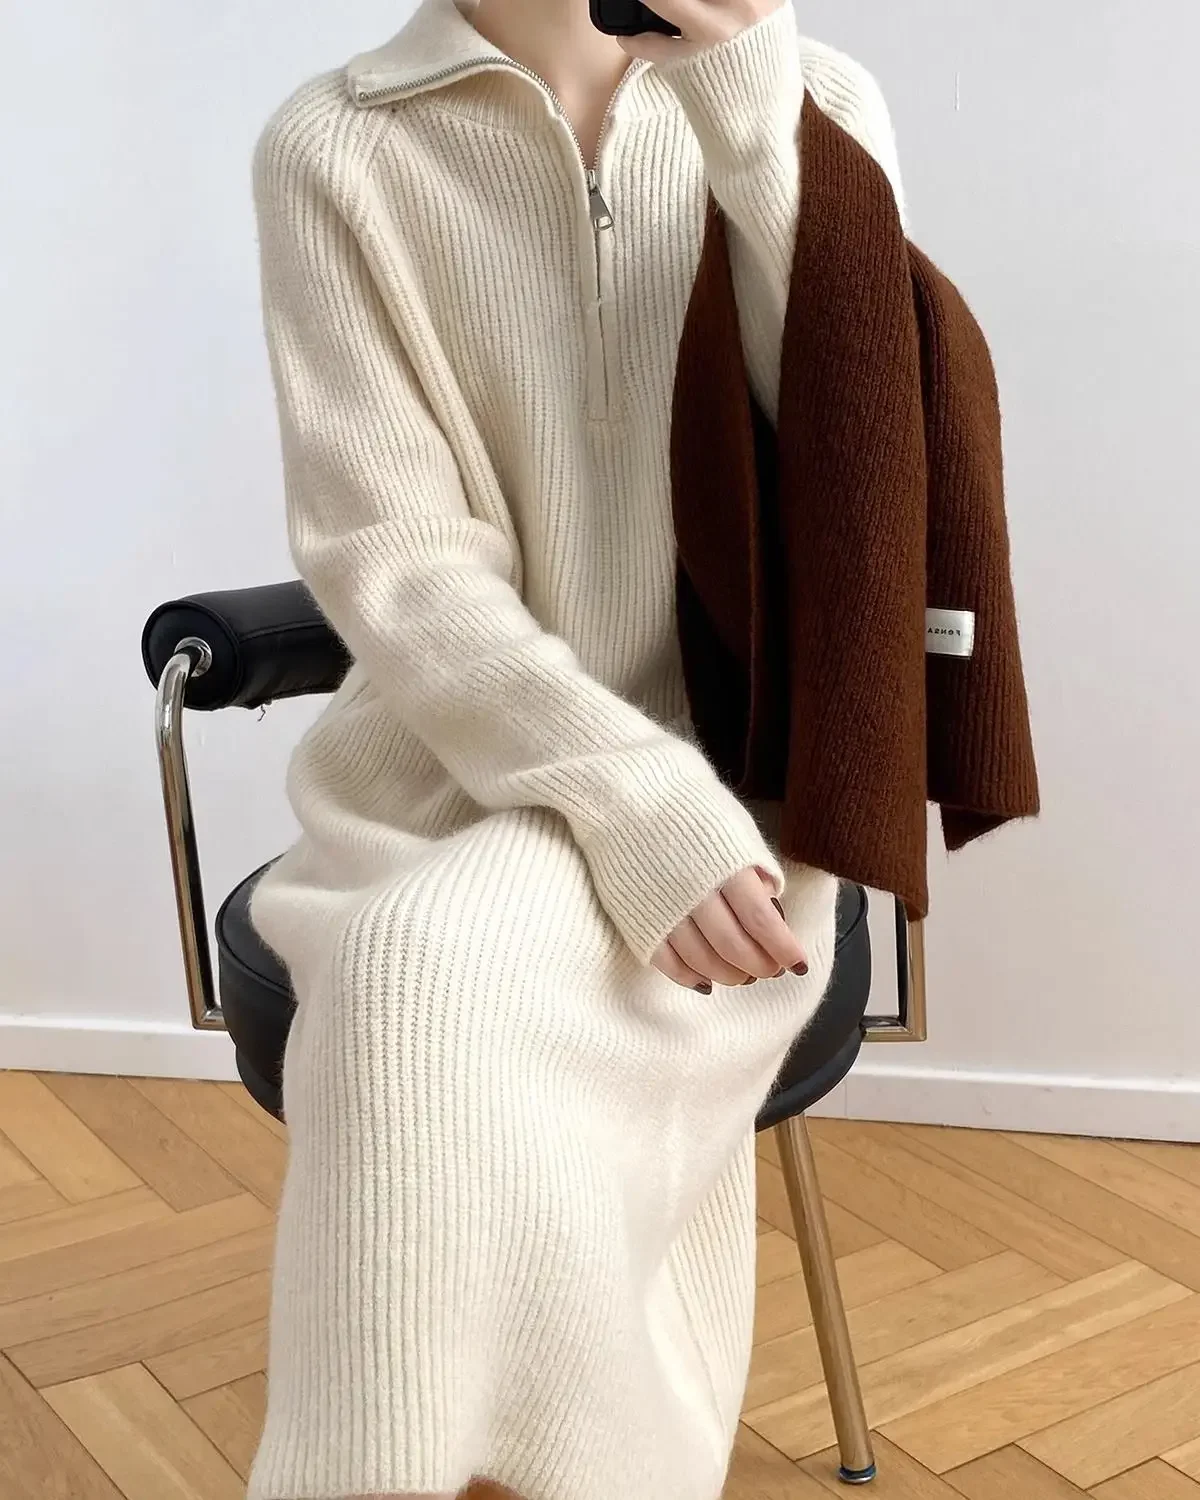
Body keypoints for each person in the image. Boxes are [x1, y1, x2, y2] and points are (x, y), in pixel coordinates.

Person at [245, 0, 903, 1496]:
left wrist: (753, 118)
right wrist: (627, 794)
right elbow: (393, 554)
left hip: (748, 795)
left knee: (422, 975)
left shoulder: (814, 99)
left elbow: (869, 482)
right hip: (451, 777)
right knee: (418, 962)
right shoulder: (337, 144)